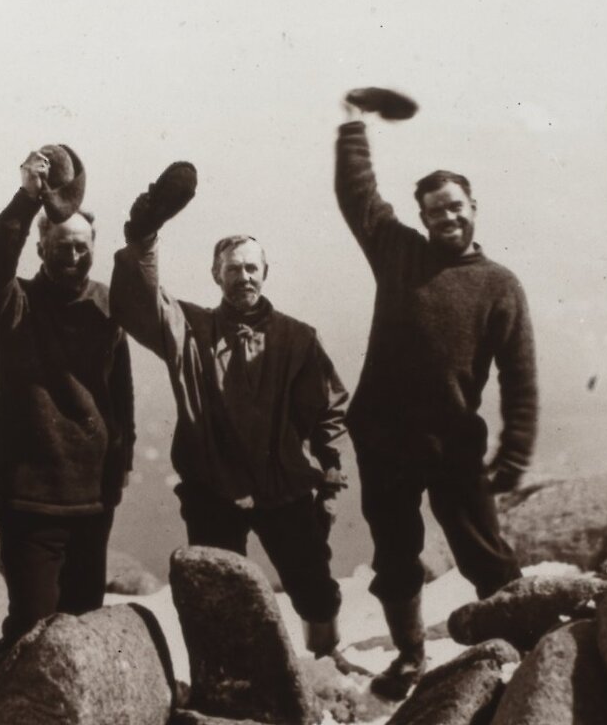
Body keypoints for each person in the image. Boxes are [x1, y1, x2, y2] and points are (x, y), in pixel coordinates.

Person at [333, 98, 540, 699]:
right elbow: (358, 196)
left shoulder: (500, 285)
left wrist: (515, 453)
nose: (446, 217)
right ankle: (409, 657)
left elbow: (520, 379)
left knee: (486, 553)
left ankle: (526, 643)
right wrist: (353, 127)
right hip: (384, 439)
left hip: (453, 442)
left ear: (473, 209)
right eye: (435, 210)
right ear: (421, 217)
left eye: (456, 206)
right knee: (395, 556)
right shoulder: (400, 254)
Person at [109, 163, 352, 658]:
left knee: (315, 589)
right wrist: (144, 238)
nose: (243, 276)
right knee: (219, 594)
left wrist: (330, 481)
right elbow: (140, 303)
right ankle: (228, 682)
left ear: (265, 273)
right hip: (213, 488)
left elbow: (329, 413)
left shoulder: (298, 338)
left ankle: (327, 667)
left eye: (251, 267)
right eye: (233, 268)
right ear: (215, 275)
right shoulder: (192, 331)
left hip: (284, 487)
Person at [0, 148, 135, 664]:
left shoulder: (109, 305)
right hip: (29, 501)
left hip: (92, 499)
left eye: (82, 247)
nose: (73, 256)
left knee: (80, 631)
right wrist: (27, 197)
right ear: (39, 247)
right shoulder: (15, 303)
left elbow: (120, 398)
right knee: (31, 631)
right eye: (61, 246)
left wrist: (118, 472)